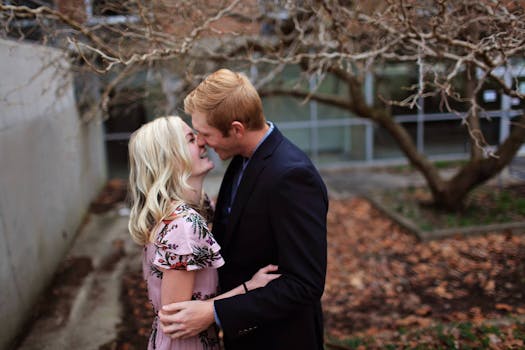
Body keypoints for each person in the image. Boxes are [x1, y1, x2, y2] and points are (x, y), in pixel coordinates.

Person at [159, 69, 329, 350]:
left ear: (236, 129)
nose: (201, 142)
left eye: (205, 134)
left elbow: (305, 284)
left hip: (281, 339)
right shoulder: (241, 159)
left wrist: (214, 312)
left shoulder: (292, 177)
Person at [127, 116, 280, 350]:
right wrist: (249, 287)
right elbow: (175, 318)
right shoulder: (184, 225)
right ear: (171, 158)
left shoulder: (198, 207)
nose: (202, 142)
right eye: (191, 139)